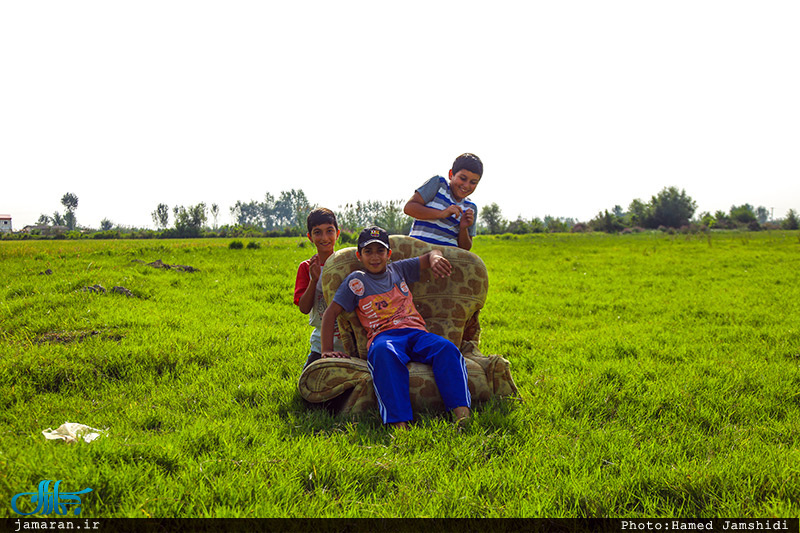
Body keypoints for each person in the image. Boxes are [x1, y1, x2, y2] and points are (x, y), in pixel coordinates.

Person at [320, 226, 472, 429]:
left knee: (447, 349)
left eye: (380, 251)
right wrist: (326, 350)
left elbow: (431, 255)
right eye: (368, 251)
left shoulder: (398, 269)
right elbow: (330, 313)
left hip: (416, 333)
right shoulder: (355, 281)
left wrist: (435, 258)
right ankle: (400, 424)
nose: (375, 257)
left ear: (388, 254)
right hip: (385, 337)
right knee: (383, 353)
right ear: (359, 255)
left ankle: (462, 416)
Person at [294, 207, 345, 369]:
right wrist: (314, 279)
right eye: (317, 232)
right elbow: (303, 308)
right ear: (310, 237)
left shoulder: (347, 263)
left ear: (337, 233)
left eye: (329, 231)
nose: (324, 238)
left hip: (349, 341)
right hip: (320, 342)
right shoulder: (306, 267)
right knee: (308, 385)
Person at [404, 153, 483, 251]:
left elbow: (465, 248)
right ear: (451, 174)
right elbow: (409, 208)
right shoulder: (439, 184)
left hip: (446, 259)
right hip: (418, 252)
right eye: (463, 178)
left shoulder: (470, 208)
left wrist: (463, 228)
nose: (466, 185)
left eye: (473, 182)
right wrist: (441, 213)